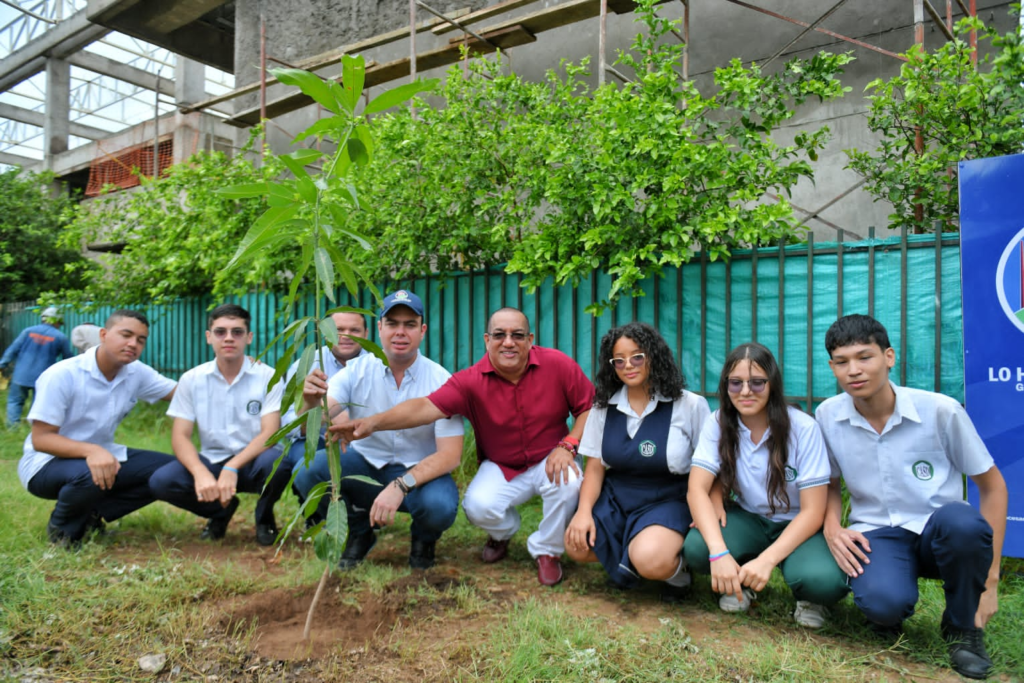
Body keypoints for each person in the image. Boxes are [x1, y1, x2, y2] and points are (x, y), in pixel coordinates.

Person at [334, 307, 594, 586]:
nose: (508, 342)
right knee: (477, 506)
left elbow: (589, 408)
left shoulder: (558, 364)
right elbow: (424, 407)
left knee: (568, 483)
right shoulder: (470, 381)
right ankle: (503, 533)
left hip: (552, 456)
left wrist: (568, 445)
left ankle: (548, 551)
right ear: (487, 340)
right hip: (502, 464)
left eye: (517, 335)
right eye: (499, 335)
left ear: (530, 340)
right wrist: (373, 423)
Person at [816, 314, 1007, 680]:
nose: (854, 370)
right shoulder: (828, 415)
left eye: (864, 357)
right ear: (832, 367)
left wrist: (991, 579)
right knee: (882, 605)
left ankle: (963, 629)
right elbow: (830, 484)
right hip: (878, 531)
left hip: (941, 531)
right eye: (842, 362)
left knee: (963, 523)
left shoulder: (940, 410)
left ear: (889, 357)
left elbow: (993, 486)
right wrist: (832, 527)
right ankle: (889, 605)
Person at [296, 290, 464, 569]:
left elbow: (450, 456)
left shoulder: (441, 380)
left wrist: (400, 485)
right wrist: (311, 400)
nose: (400, 332)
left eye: (409, 325)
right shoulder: (356, 370)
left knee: (439, 506)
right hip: (365, 465)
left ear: (422, 331)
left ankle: (424, 540)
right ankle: (359, 531)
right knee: (309, 472)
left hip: (419, 473)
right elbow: (320, 416)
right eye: (392, 323)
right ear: (379, 328)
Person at [684, 342, 848, 628]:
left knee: (824, 581)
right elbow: (696, 489)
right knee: (698, 547)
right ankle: (738, 583)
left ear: (773, 384)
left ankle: (809, 597)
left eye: (757, 382)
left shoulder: (803, 428)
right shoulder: (719, 421)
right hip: (750, 518)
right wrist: (719, 551)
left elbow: (813, 511)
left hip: (799, 523)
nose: (746, 391)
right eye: (736, 383)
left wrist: (768, 560)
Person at [564, 322, 709, 598]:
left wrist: (710, 506)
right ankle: (636, 559)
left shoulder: (689, 405)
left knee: (650, 557)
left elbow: (710, 466)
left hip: (669, 497)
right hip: (619, 497)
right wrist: (583, 513)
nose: (628, 365)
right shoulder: (603, 408)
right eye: (619, 360)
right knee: (576, 545)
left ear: (654, 356)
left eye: (637, 357)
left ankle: (676, 573)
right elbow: (594, 468)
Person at [18, 310, 176, 546]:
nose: (133, 344)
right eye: (126, 335)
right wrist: (92, 451)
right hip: (45, 464)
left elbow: (182, 393)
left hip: (101, 456)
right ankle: (63, 533)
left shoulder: (135, 372)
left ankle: (91, 514)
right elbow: (41, 440)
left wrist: (226, 379)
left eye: (141, 340)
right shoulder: (62, 375)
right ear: (103, 335)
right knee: (88, 473)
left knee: (170, 472)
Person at [149, 304, 291, 546]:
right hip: (212, 460)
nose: (228, 338)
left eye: (237, 332)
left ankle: (264, 516)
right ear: (209, 337)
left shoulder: (268, 376)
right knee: (162, 481)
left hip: (254, 460)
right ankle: (220, 511)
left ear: (249, 337)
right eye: (220, 332)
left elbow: (270, 433)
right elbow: (180, 436)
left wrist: (232, 467)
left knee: (279, 464)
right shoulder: (192, 379)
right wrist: (200, 472)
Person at [281, 311, 369, 470]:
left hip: (366, 443)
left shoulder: (378, 365)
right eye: (338, 330)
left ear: (366, 334)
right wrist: (320, 415)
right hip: (318, 440)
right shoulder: (306, 365)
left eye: (354, 330)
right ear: (325, 332)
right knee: (306, 461)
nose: (346, 335)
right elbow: (287, 422)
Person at [1, 306, 73, 427]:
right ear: (57, 321)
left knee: (15, 401)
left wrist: (2, 364)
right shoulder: (60, 337)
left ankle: (12, 427)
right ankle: (35, 428)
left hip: (21, 375)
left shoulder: (28, 331)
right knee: (39, 404)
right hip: (43, 377)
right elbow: (68, 359)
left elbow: (12, 350)